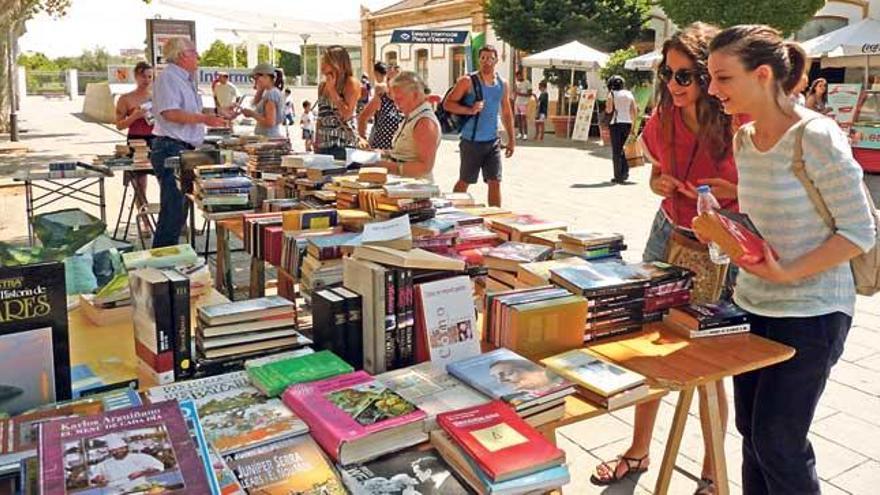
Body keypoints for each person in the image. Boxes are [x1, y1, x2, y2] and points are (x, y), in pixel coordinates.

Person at [707, 25, 875, 494]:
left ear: (762, 75)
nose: (711, 90)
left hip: (814, 312)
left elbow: (860, 232)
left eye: (722, 78)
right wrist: (725, 229)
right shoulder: (744, 140)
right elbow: (766, 221)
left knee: (779, 441)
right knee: (752, 435)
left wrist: (786, 272)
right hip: (753, 304)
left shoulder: (816, 136)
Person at [591, 23, 739, 495]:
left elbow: (766, 192)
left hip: (722, 245)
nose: (673, 85)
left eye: (684, 76)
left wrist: (734, 193)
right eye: (668, 74)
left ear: (709, 77)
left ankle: (715, 471)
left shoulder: (739, 121)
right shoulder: (665, 116)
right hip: (668, 233)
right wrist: (658, 182)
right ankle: (638, 450)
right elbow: (656, 170)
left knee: (709, 357)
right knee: (647, 344)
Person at [151, 38, 227, 248]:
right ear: (182, 55)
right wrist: (204, 119)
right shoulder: (169, 78)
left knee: (179, 210)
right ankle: (162, 261)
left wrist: (218, 113)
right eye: (194, 52)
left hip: (181, 147)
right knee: (173, 211)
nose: (198, 57)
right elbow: (170, 113)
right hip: (171, 147)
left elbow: (190, 112)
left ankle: (169, 258)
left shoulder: (183, 79)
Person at [444, 45, 515, 207]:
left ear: (496, 60)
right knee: (465, 181)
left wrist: (511, 139)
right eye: (483, 58)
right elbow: (448, 104)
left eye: (490, 58)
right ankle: (450, 210)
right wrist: (469, 110)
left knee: (495, 181)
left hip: (492, 141)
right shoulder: (467, 81)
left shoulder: (502, 84)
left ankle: (497, 219)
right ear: (479, 59)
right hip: (471, 141)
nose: (486, 61)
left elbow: (506, 111)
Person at [371, 71, 440, 183]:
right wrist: (380, 153)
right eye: (394, 100)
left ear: (415, 95)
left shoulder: (424, 122)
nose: (396, 104)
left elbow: (425, 167)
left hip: (415, 187)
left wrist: (387, 166)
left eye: (399, 99)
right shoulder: (412, 115)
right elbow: (404, 152)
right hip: (404, 184)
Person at [115, 61, 154, 229]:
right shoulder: (126, 98)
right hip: (136, 139)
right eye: (144, 76)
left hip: (156, 138)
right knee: (140, 183)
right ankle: (145, 221)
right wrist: (135, 116)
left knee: (166, 180)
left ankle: (172, 220)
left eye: (150, 77)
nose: (147, 80)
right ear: (136, 76)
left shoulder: (157, 96)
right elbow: (119, 124)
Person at [316, 45, 362, 160]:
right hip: (324, 145)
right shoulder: (322, 86)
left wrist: (332, 91)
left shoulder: (350, 83)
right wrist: (316, 140)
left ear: (336, 63)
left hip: (343, 145)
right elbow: (321, 116)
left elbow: (347, 115)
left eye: (325, 61)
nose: (322, 65)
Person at [358, 62, 404, 149]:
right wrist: (363, 139)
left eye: (396, 79)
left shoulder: (407, 101)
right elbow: (363, 118)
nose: (391, 82)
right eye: (388, 79)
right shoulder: (381, 99)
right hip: (381, 151)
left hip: (400, 153)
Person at [91, 435, 164, 490]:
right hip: (116, 492)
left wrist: (142, 472)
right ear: (110, 452)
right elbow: (93, 479)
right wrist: (98, 480)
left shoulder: (141, 457)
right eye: (114, 450)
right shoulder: (103, 464)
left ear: (127, 448)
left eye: (121, 448)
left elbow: (159, 467)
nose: (118, 451)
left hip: (142, 488)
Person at [606, 75, 638, 184]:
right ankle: (625, 172)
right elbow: (634, 110)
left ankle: (618, 176)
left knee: (617, 151)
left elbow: (609, 110)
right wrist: (633, 126)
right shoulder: (629, 94)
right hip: (628, 124)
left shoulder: (611, 94)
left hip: (616, 124)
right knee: (625, 149)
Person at [238, 62, 284, 138]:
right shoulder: (269, 92)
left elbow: (270, 122)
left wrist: (252, 114)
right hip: (266, 136)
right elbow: (255, 102)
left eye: (256, 78)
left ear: (265, 76)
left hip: (269, 137)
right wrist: (260, 89)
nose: (255, 82)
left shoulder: (271, 94)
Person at [514, 68, 532, 140]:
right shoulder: (516, 83)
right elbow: (515, 93)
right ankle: (520, 133)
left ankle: (525, 134)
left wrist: (520, 94)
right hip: (517, 102)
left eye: (519, 76)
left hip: (524, 103)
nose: (518, 77)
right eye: (517, 76)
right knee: (518, 119)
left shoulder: (527, 82)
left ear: (522, 75)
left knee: (523, 118)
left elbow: (529, 93)